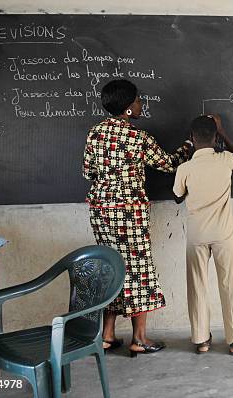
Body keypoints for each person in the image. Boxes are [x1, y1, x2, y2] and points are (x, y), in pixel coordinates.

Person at [83, 79, 192, 356]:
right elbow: (168, 164)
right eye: (138, 100)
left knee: (110, 267)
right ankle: (139, 339)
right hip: (129, 212)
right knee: (138, 270)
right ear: (129, 108)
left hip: (100, 209)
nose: (141, 104)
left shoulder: (95, 133)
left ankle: (107, 335)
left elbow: (88, 172)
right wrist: (190, 144)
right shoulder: (137, 138)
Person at [172, 114, 233, 355]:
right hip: (223, 234)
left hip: (197, 235)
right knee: (229, 285)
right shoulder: (226, 159)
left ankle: (201, 340)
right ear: (216, 137)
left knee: (197, 286)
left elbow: (177, 197)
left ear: (191, 138)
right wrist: (223, 132)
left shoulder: (185, 168)